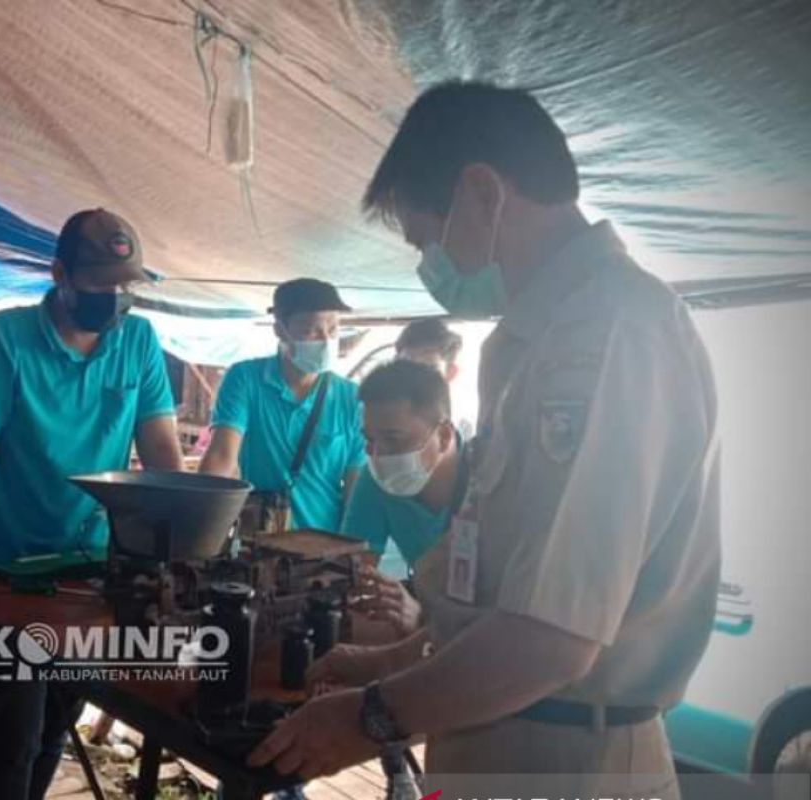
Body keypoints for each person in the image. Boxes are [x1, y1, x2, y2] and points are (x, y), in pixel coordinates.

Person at [249, 82, 719, 798]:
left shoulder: (611, 334)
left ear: (481, 193)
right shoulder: (534, 342)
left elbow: (552, 640)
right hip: (502, 735)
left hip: (565, 760)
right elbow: (505, 590)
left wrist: (369, 716)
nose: (428, 267)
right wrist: (395, 662)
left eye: (425, 239)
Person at [0, 209, 183, 800]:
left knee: (57, 726)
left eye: (124, 285)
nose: (113, 298)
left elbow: (161, 451)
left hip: (91, 573)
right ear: (59, 273)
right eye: (99, 283)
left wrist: (185, 541)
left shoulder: (136, 341)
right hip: (6, 573)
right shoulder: (1, 339)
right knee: (9, 735)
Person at [199, 278, 365, 533]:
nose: (325, 340)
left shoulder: (352, 399)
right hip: (256, 545)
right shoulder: (245, 379)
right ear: (280, 330)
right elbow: (222, 456)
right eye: (311, 330)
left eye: (332, 330)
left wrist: (354, 554)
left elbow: (357, 490)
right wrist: (202, 527)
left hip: (325, 550)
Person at [341, 360, 465, 636]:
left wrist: (423, 620)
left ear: (443, 436)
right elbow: (352, 570)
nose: (380, 455)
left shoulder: (490, 485)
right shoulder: (374, 481)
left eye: (394, 440)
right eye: (370, 441)